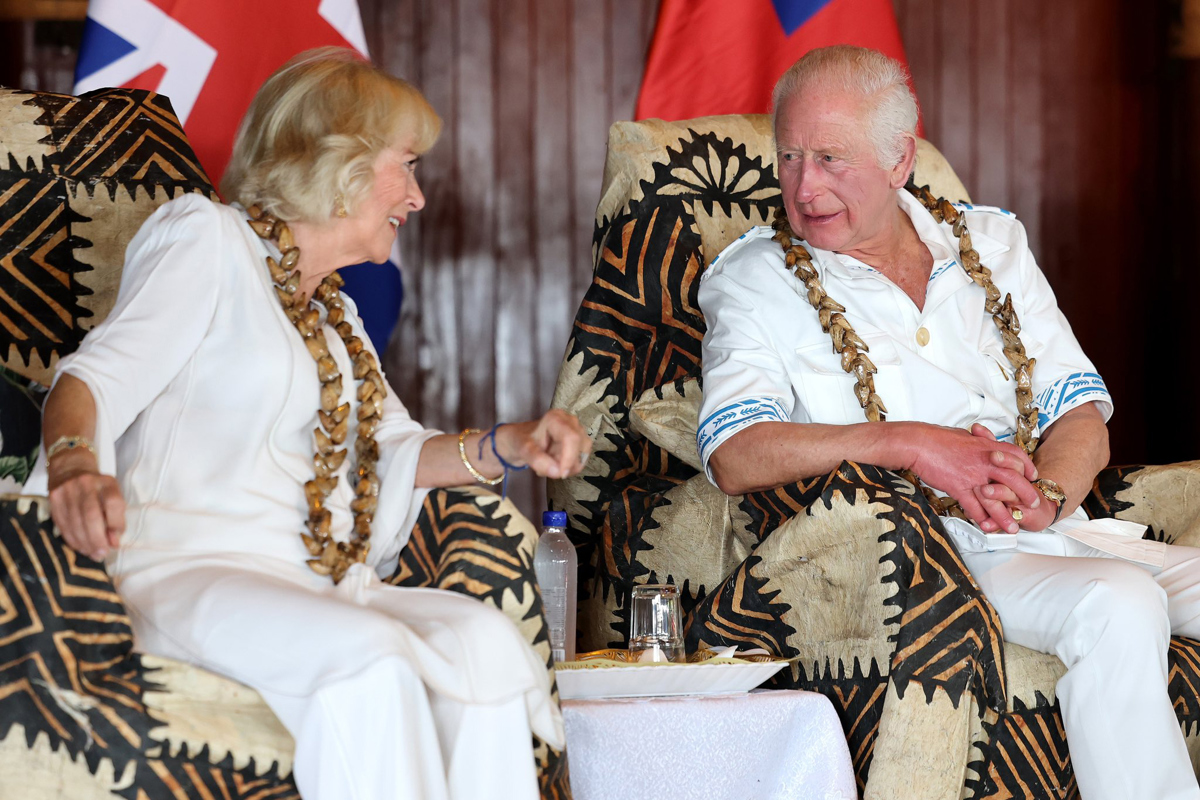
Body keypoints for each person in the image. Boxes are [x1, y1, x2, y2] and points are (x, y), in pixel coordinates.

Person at [26, 47, 590, 800]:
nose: (417, 197)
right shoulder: (209, 240)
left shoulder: (336, 312)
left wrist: (510, 444)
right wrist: (72, 466)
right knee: (373, 660)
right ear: (340, 160)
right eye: (408, 164)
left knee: (482, 641)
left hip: (312, 583)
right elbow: (93, 377)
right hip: (182, 569)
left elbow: (393, 449)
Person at [696, 45, 1200, 800]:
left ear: (900, 159)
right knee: (1119, 603)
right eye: (791, 156)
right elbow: (734, 454)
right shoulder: (754, 278)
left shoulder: (991, 243)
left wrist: (1049, 495)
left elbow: (1081, 413)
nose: (805, 185)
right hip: (920, 556)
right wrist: (913, 445)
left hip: (1049, 531)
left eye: (832, 158)